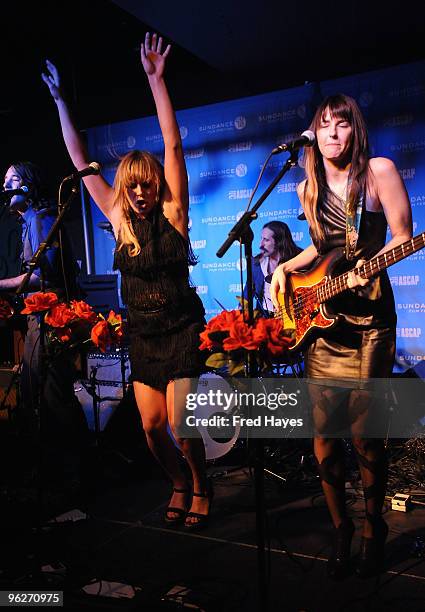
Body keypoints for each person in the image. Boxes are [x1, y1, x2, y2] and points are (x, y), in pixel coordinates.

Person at [42, 32, 211, 529]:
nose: (139, 192)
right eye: (131, 185)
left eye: (146, 184)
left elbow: (173, 142)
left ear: (156, 184)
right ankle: (178, 483)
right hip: (143, 335)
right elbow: (79, 159)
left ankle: (201, 484)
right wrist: (59, 102)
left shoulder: (174, 213)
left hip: (180, 331)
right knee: (152, 428)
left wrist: (157, 81)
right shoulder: (118, 218)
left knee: (181, 424)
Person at [271, 94, 412, 578]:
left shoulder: (378, 171)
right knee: (324, 439)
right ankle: (341, 529)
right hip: (325, 324)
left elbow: (401, 233)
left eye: (342, 124)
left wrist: (367, 269)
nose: (332, 133)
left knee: (365, 436)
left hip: (371, 320)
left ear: (356, 130)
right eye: (324, 124)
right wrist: (284, 269)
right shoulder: (307, 187)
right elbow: (320, 247)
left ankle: (374, 527)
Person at [0, 161, 87, 483]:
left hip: (54, 318)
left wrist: (2, 285)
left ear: (30, 184)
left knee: (52, 393)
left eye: (13, 179)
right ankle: (64, 466)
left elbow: (43, 275)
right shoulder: (31, 223)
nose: (6, 186)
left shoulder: (41, 218)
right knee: (44, 391)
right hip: (43, 317)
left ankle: (73, 470)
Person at [243, 220, 301, 314]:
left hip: (294, 317)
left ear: (279, 241)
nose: (260, 245)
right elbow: (247, 295)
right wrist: (239, 314)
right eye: (261, 238)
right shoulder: (255, 263)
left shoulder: (298, 259)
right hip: (265, 319)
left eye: (266, 240)